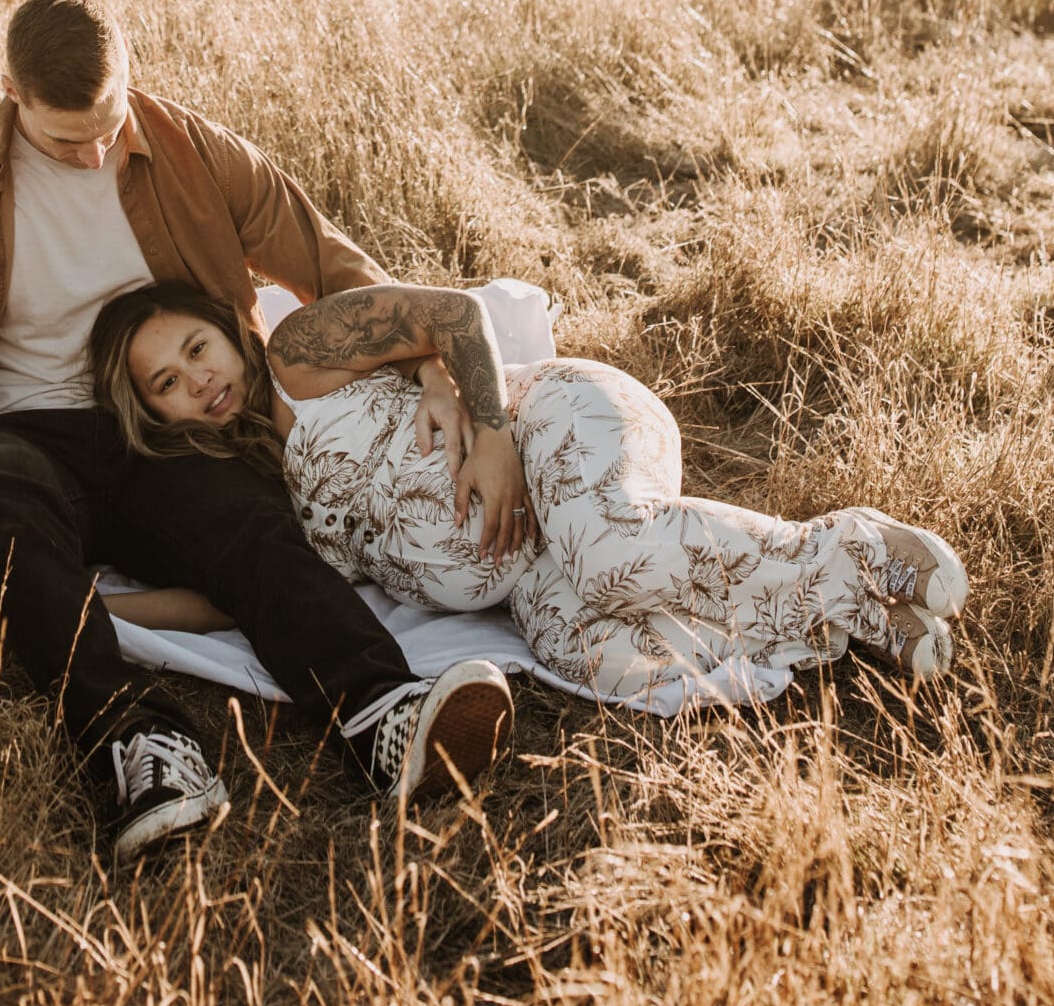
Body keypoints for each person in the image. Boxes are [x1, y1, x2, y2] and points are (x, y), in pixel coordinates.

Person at [0, 0, 516, 863]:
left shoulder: (195, 152)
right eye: (64, 139)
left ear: (130, 76)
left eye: (108, 126)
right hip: (23, 435)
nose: (93, 154)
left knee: (247, 522)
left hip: (169, 422)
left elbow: (326, 262)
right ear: (7, 91)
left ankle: (382, 714)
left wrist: (428, 365)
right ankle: (139, 748)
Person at [90, 279, 971, 712]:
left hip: (550, 426)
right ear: (157, 413)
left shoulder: (300, 352)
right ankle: (856, 616)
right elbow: (227, 598)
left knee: (613, 550)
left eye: (197, 349)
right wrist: (106, 606)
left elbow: (454, 317)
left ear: (226, 329)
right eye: (167, 383)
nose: (196, 382)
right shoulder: (253, 493)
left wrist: (495, 431)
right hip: (527, 572)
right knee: (586, 651)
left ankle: (861, 547)